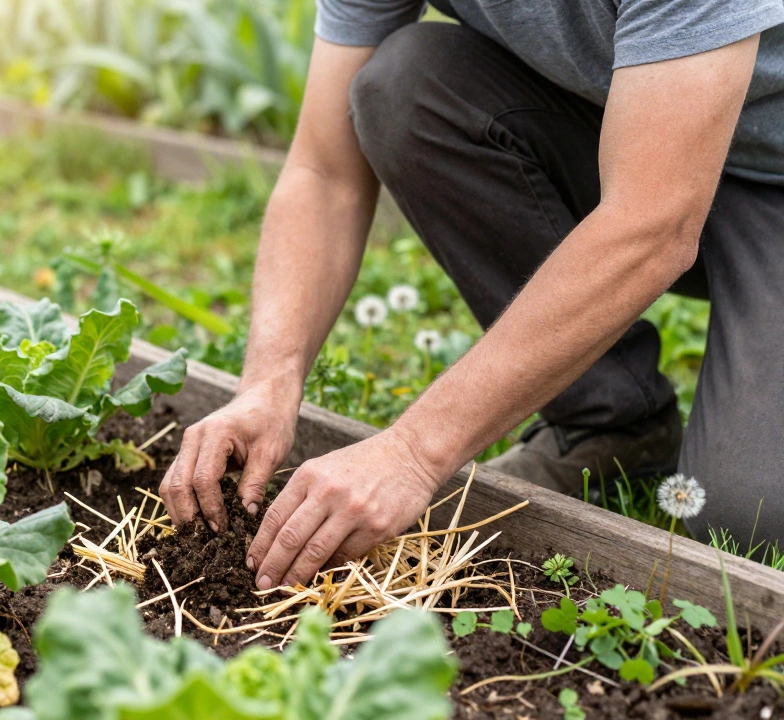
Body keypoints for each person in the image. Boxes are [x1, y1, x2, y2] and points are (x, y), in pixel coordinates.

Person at [158, 0, 784, 593]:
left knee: (748, 520)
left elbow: (655, 224)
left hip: (752, 182)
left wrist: (412, 452)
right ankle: (614, 420)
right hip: (633, 129)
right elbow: (323, 171)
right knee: (408, 86)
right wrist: (269, 381)